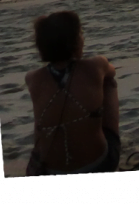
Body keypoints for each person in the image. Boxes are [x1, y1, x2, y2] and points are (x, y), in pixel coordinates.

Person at [24, 11, 120, 175]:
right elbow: (112, 72)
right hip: (99, 164)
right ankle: (108, 136)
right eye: (81, 34)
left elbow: (39, 124)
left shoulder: (32, 78)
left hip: (52, 170)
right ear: (74, 41)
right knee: (108, 82)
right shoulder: (96, 64)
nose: (83, 39)